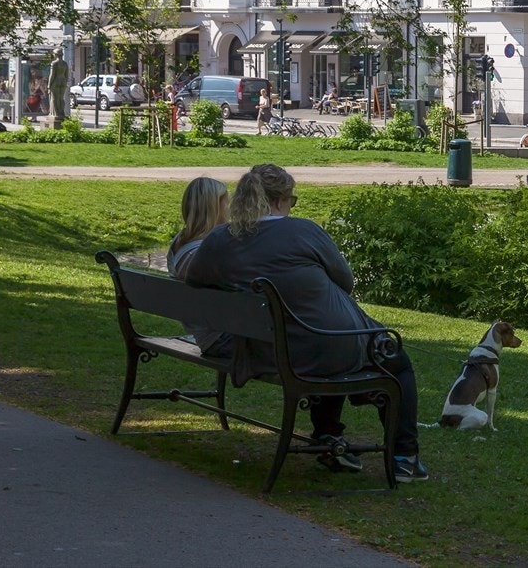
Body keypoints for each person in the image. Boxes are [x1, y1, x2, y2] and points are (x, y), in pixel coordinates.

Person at [184, 164, 428, 482]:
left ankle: (328, 435)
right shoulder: (303, 231)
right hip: (320, 345)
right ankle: (404, 457)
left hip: (267, 349)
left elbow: (195, 279)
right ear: (281, 200)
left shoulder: (219, 239)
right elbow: (346, 280)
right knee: (391, 357)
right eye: (292, 200)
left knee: (322, 336)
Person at [168, 177, 232, 357]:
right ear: (214, 208)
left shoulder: (180, 242)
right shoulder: (203, 251)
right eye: (226, 203)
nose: (229, 209)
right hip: (222, 339)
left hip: (213, 336)